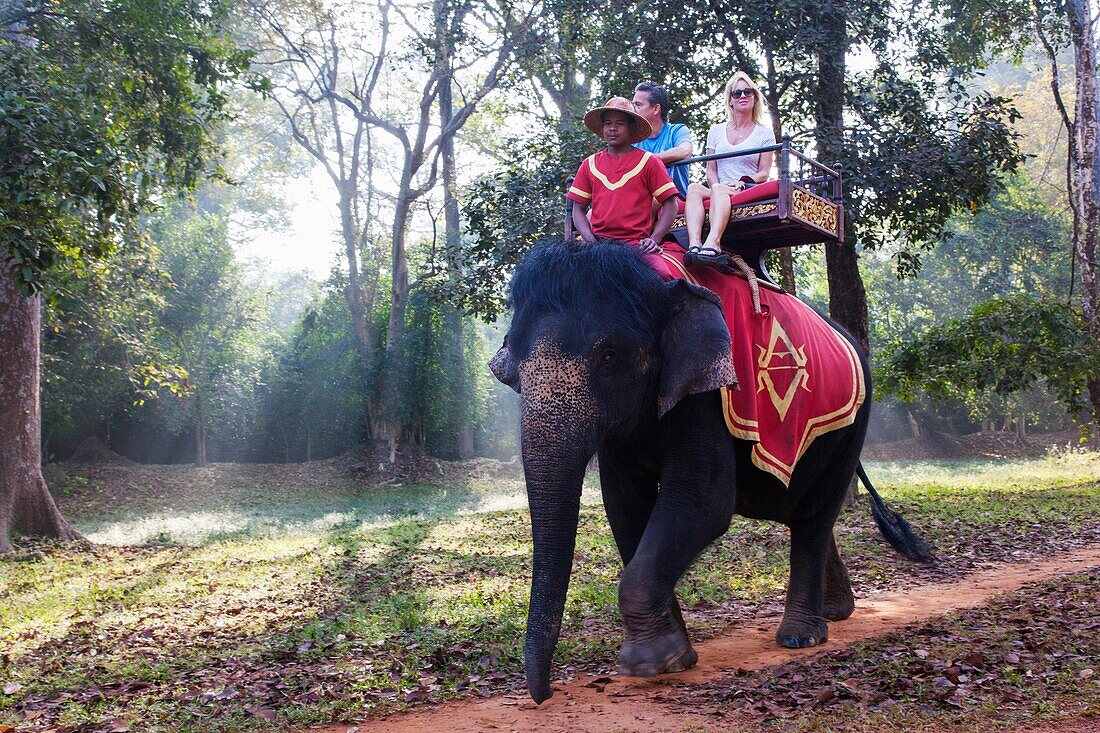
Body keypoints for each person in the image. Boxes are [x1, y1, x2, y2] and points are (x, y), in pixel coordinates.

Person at [567, 96, 681, 278]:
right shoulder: (589, 164)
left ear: (631, 127)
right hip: (599, 246)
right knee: (563, 284)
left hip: (636, 246)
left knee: (664, 276)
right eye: (607, 123)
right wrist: (590, 240)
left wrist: (655, 239)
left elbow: (671, 204)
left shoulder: (649, 161)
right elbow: (578, 209)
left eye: (620, 123)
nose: (612, 128)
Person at [683, 72, 776, 268]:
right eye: (737, 93)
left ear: (754, 97)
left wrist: (742, 181)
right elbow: (711, 169)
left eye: (747, 92)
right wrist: (717, 185)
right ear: (730, 100)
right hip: (721, 187)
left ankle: (714, 241)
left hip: (746, 187)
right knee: (693, 188)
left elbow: (764, 174)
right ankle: (695, 244)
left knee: (719, 190)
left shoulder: (764, 134)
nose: (743, 96)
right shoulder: (715, 131)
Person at [632, 81, 693, 198]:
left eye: (638, 105)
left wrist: (648, 161)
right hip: (639, 198)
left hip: (673, 197)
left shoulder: (677, 130)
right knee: (592, 212)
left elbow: (685, 151)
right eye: (632, 104)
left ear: (656, 109)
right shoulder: (633, 138)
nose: (633, 109)